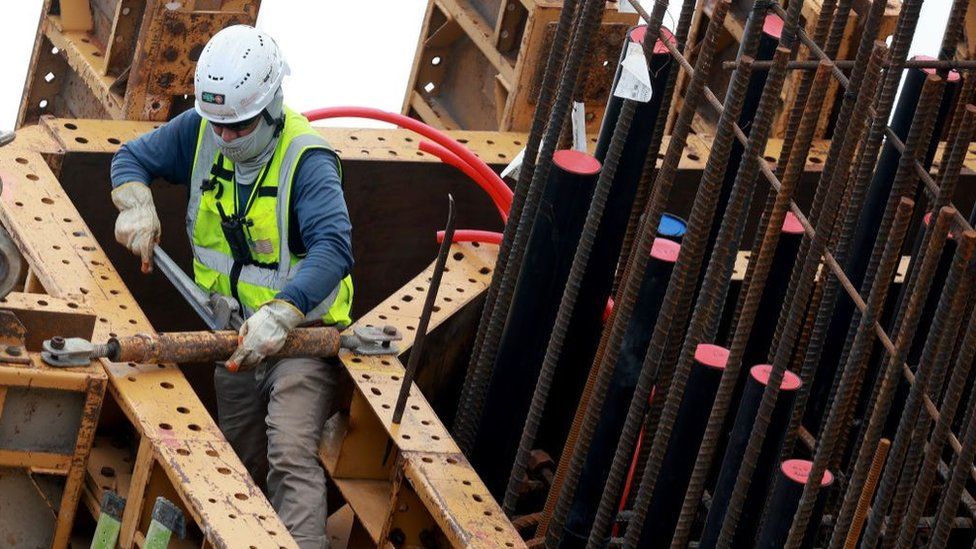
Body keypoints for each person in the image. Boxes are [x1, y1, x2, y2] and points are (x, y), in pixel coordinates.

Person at [109, 25, 353, 549]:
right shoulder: (201, 129)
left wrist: (284, 311)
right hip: (231, 337)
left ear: (271, 106)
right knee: (235, 468)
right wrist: (135, 202)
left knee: (289, 452)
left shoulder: (306, 161)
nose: (225, 138)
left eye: (239, 128)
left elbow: (334, 249)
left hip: (301, 340)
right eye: (218, 124)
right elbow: (130, 159)